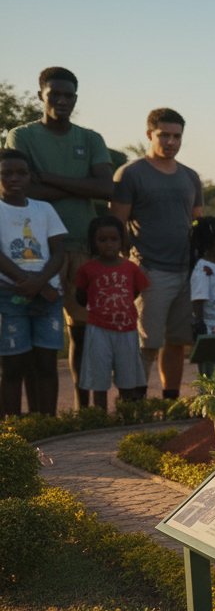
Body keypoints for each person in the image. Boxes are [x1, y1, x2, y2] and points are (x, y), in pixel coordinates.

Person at [5, 67, 114, 409]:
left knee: (81, 332)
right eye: (55, 95)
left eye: (69, 95)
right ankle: (25, 418)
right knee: (28, 346)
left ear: (76, 99)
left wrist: (48, 179)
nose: (62, 101)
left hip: (83, 244)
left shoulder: (90, 138)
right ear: (41, 95)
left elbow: (104, 188)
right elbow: (22, 185)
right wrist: (77, 185)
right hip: (32, 257)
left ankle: (83, 411)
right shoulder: (21, 136)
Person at [110, 108, 203, 400]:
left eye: (177, 136)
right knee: (147, 342)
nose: (171, 141)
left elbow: (198, 223)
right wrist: (133, 265)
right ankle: (134, 404)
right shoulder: (130, 173)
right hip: (149, 269)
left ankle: (170, 401)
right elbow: (115, 226)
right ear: (150, 134)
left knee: (177, 341)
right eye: (164, 135)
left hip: (185, 270)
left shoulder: (190, 176)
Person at [0, 149, 66, 417]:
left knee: (46, 364)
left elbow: (59, 251)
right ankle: (13, 428)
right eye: (6, 173)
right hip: (10, 294)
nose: (15, 178)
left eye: (21, 173)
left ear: (30, 177)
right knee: (13, 366)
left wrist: (39, 283)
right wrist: (27, 282)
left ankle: (46, 421)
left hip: (48, 296)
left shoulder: (44, 209)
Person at [75, 216, 148, 411]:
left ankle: (127, 415)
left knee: (128, 378)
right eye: (102, 240)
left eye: (114, 239)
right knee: (99, 378)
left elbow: (136, 291)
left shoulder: (131, 268)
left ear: (122, 241)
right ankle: (101, 416)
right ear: (93, 242)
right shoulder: (87, 269)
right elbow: (81, 296)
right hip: (98, 329)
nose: (109, 244)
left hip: (127, 329)